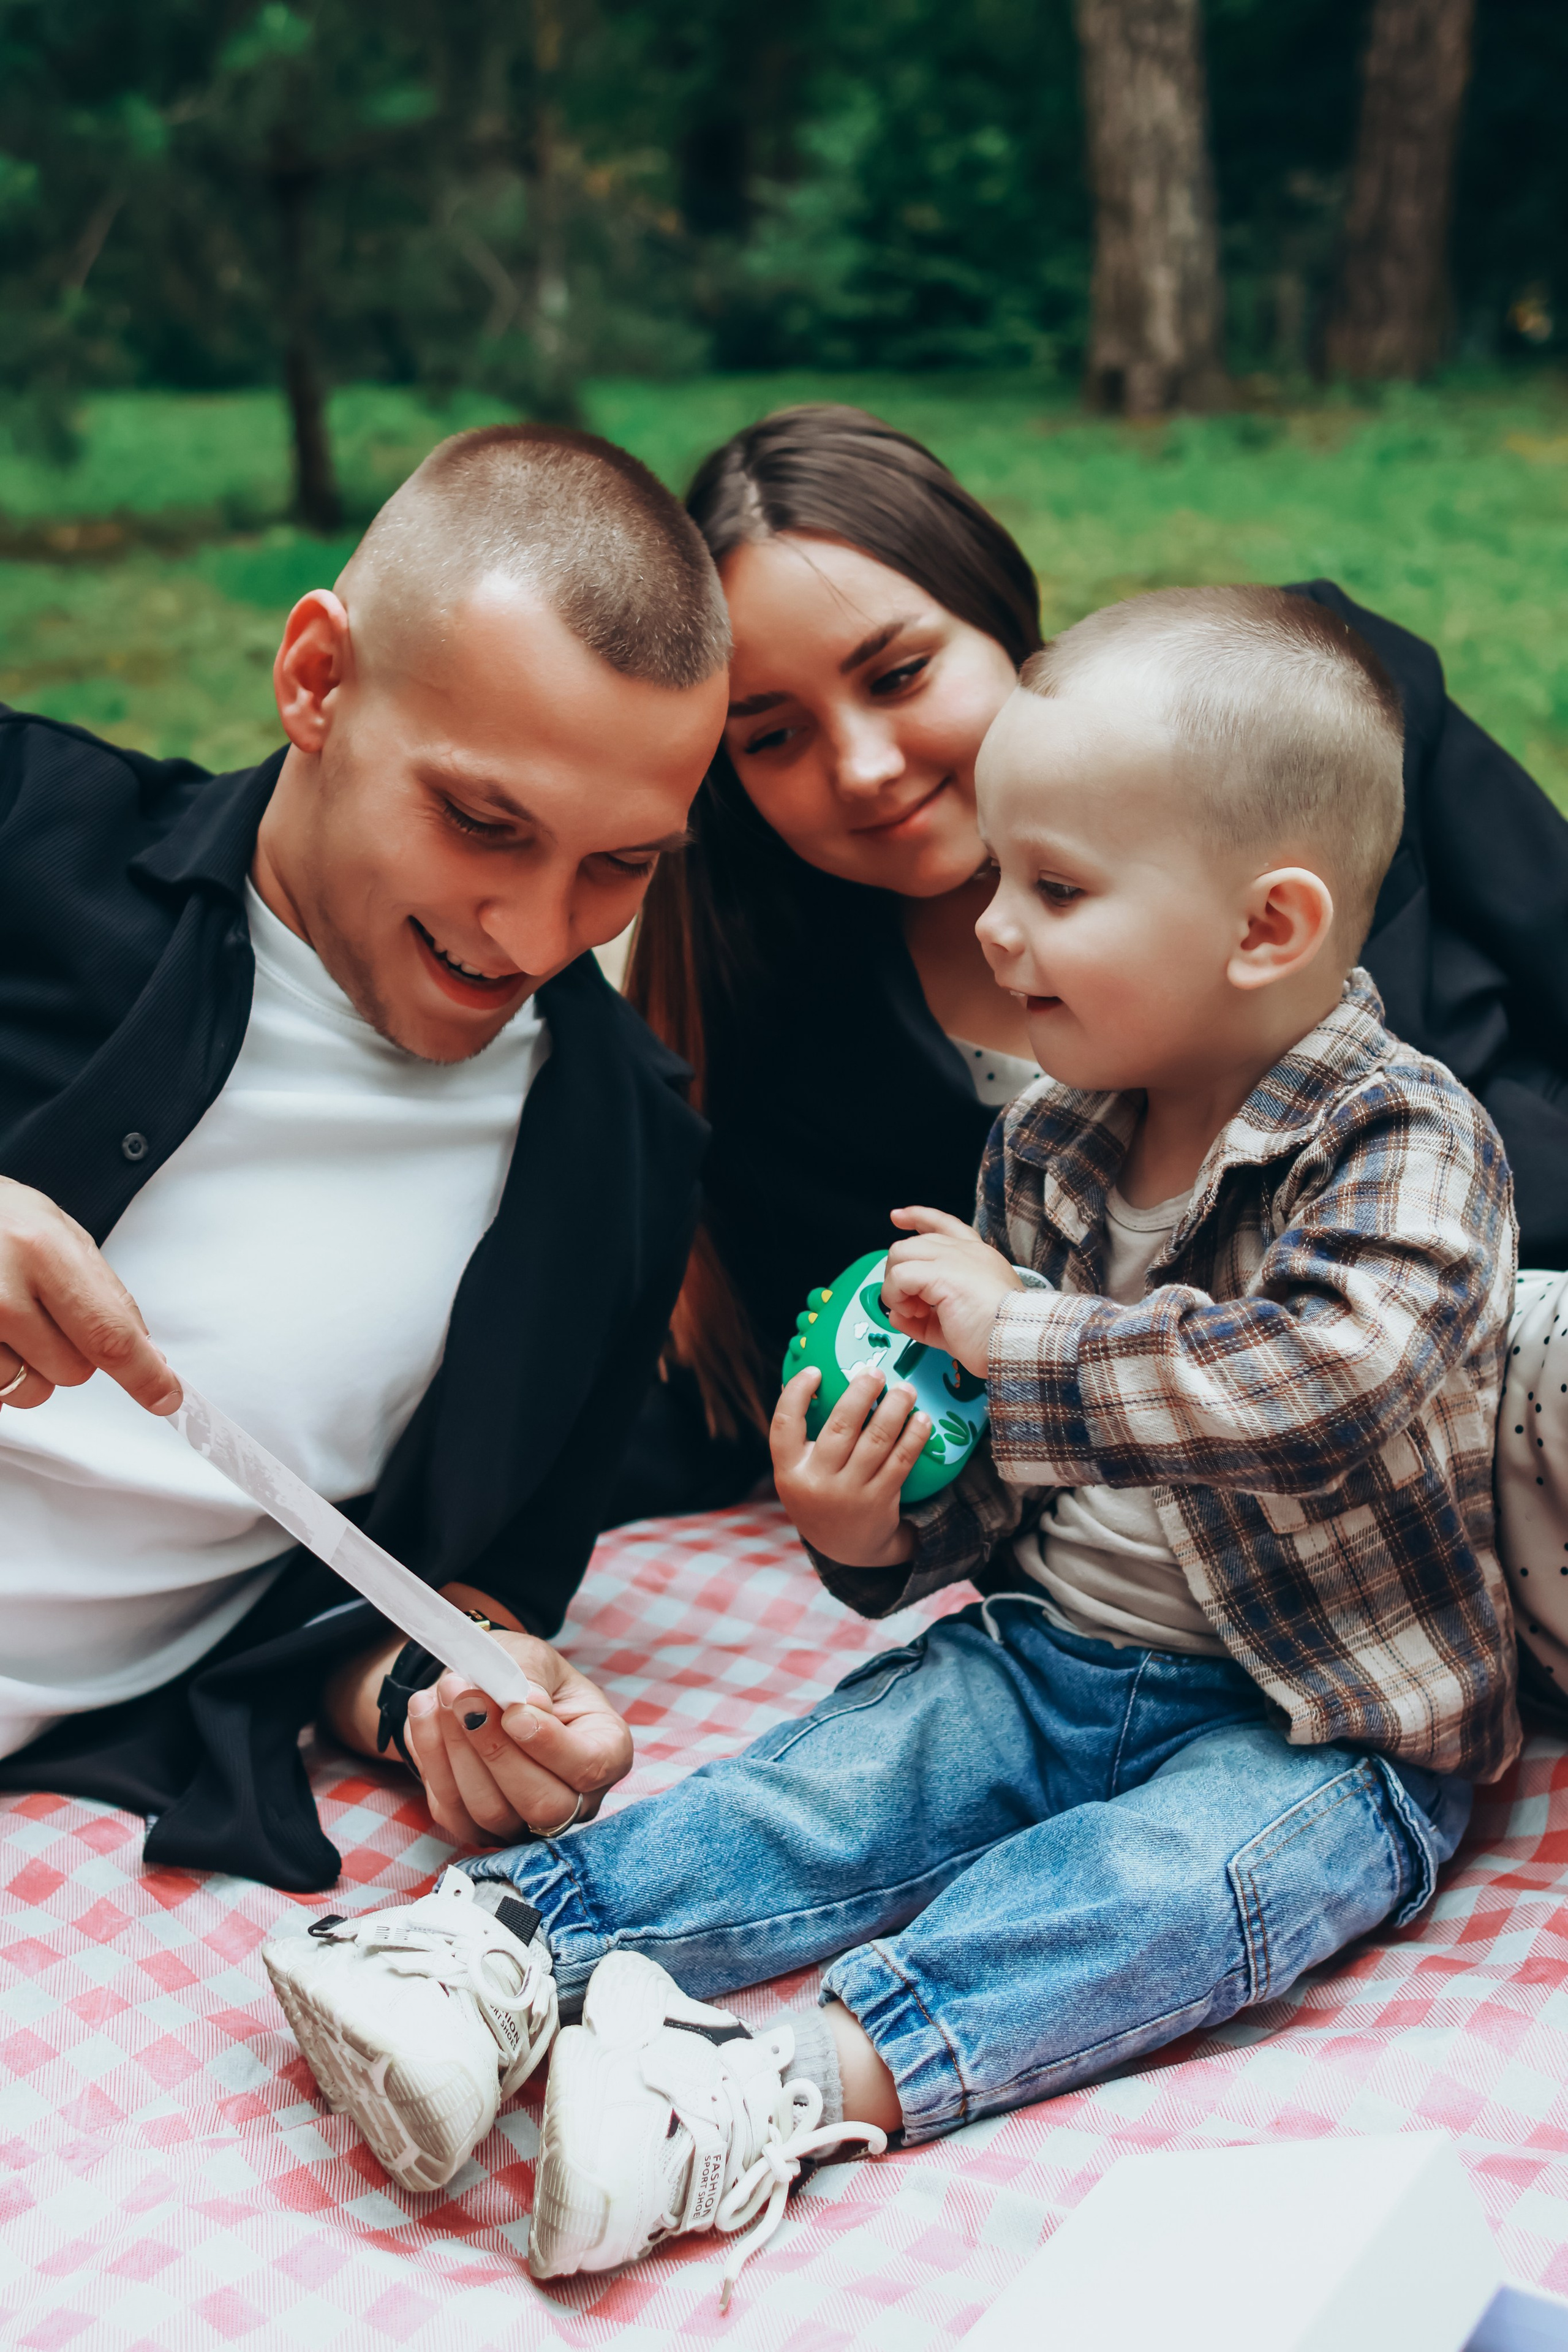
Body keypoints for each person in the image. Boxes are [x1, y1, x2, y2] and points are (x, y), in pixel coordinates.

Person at [265, 586, 1517, 2307]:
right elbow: (999, 1472)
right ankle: (498, 1953)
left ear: (1266, 926)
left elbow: (1333, 1382)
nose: (996, 930)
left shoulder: (1404, 1141)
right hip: (1059, 1656)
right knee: (857, 1776)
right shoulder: (1054, 1151)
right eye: (1003, 875)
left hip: (1332, 1719)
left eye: (1058, 891)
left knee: (1163, 1896)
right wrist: (871, 1524)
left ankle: (764, 2096)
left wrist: (1022, 1336)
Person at [609, 404, 1568, 1526]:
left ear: (1000, 611)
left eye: (901, 674)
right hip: (1277, 1549)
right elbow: (803, 1387)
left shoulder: (1292, 714)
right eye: (772, 736)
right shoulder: (793, 1054)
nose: (862, 766)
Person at [0, 423, 731, 1891]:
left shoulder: (622, 1160)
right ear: (316, 679)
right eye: (481, 822)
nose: (529, 935)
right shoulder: (26, 833)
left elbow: (408, 1606)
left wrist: (447, 1698)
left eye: (621, 866)